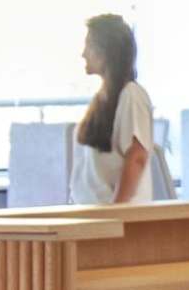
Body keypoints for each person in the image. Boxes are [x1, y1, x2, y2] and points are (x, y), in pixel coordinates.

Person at [68, 11, 169, 205]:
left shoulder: (131, 95)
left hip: (115, 219)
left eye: (88, 45)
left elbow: (137, 156)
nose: (83, 53)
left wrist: (117, 210)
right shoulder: (102, 99)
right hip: (94, 215)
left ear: (105, 51)